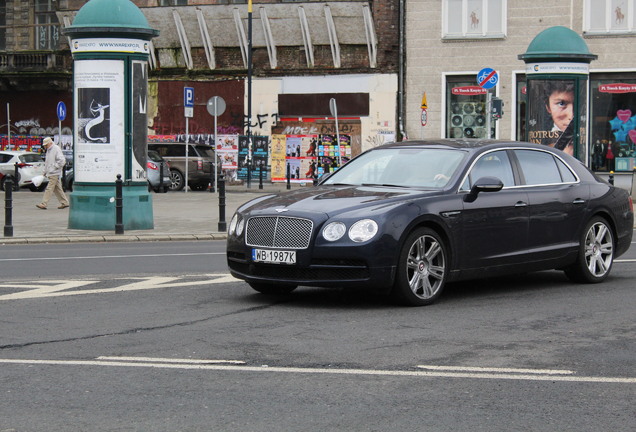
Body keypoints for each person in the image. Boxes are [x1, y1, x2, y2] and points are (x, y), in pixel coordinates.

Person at [36, 137, 70, 210]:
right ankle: (65, 202)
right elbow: (47, 162)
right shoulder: (49, 150)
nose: (45, 146)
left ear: (50, 143)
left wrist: (53, 167)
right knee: (57, 188)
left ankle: (44, 203)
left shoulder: (55, 149)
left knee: (49, 188)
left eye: (46, 145)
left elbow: (62, 161)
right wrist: (44, 172)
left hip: (54, 172)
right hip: (52, 172)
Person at [543, 81, 575, 155]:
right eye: (561, 104)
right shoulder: (544, 139)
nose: (571, 115)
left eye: (576, 104)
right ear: (548, 107)